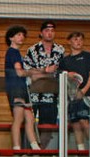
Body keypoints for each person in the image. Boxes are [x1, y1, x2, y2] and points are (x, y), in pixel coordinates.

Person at [25, 21, 64, 149]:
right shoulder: (32, 50)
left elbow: (61, 72)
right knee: (30, 125)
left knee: (48, 127)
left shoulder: (60, 50)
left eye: (52, 30)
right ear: (41, 33)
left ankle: (42, 152)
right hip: (34, 96)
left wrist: (41, 74)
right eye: (47, 30)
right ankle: (31, 152)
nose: (50, 33)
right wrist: (46, 71)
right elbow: (29, 72)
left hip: (52, 96)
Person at [4, 26, 41, 151]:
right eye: (18, 35)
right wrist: (32, 72)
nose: (22, 37)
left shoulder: (18, 54)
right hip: (15, 88)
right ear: (11, 38)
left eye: (23, 35)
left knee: (30, 118)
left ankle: (35, 147)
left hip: (22, 88)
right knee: (18, 118)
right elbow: (19, 72)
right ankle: (16, 147)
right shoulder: (12, 52)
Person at [59, 32, 90, 151]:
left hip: (86, 95)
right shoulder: (65, 60)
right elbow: (62, 78)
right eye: (76, 39)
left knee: (84, 120)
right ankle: (80, 148)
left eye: (81, 39)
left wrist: (84, 90)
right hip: (71, 96)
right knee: (75, 122)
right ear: (69, 41)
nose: (78, 42)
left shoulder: (87, 56)